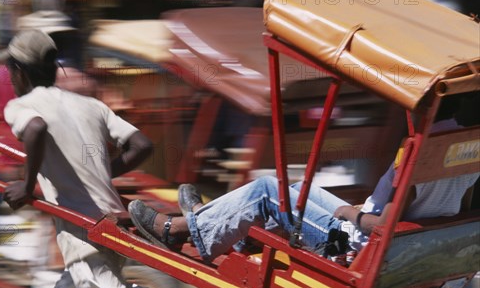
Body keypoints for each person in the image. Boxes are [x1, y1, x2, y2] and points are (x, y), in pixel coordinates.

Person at [0, 29, 199, 288]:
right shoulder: (89, 104)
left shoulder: (21, 105)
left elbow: (34, 128)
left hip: (84, 231)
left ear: (19, 71)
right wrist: (104, 172)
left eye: (11, 73)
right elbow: (142, 145)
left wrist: (26, 185)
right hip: (113, 220)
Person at [129, 101, 479, 263]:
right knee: (296, 190)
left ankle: (180, 229)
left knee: (267, 191)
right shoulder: (469, 149)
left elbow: (385, 224)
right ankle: (219, 228)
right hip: (404, 248)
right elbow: (457, 209)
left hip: (353, 243)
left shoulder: (422, 151)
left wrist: (348, 212)